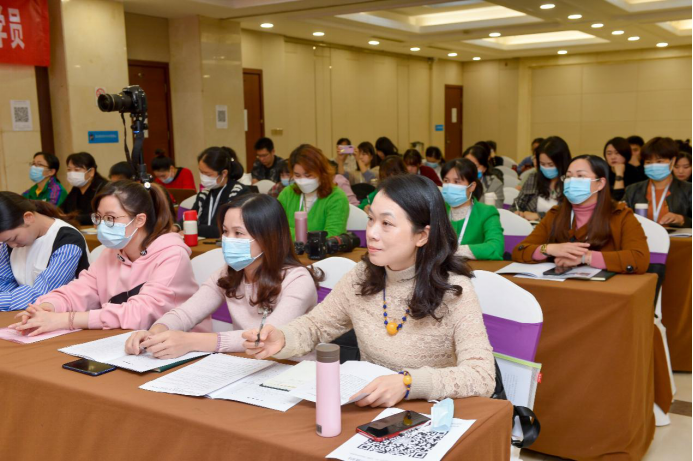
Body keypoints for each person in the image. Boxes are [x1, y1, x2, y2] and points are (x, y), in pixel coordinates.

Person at [242, 174, 496, 406]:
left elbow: (481, 375)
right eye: (371, 219)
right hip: (372, 410)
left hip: (434, 413)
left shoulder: (454, 291)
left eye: (387, 223)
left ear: (422, 236)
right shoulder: (362, 276)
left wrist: (408, 383)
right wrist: (283, 338)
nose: (372, 233)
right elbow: (316, 326)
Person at [124, 194, 321, 358]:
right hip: (246, 366)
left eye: (238, 233)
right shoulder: (229, 273)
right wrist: (155, 332)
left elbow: (265, 338)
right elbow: (186, 313)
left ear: (269, 237)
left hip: (292, 371)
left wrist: (190, 341)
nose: (228, 240)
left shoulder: (297, 280)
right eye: (226, 232)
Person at [9, 180, 212, 336]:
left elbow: (139, 314)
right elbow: (80, 290)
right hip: (123, 340)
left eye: (110, 218)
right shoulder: (112, 252)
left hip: (178, 347)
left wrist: (65, 320)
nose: (101, 225)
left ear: (139, 220)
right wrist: (47, 307)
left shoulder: (171, 254)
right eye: (99, 217)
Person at [513, 155, 649, 274]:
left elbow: (639, 259)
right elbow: (519, 251)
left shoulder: (620, 215)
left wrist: (585, 257)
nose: (572, 181)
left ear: (600, 183)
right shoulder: (556, 214)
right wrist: (548, 249)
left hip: (606, 288)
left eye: (580, 176)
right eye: (568, 176)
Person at [0, 193, 89, 312]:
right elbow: (4, 282)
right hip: (28, 312)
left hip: (67, 315)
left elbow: (41, 294)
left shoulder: (68, 241)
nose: (11, 245)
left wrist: (14, 299)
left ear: (28, 217)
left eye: (13, 238)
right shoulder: (11, 241)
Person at [277, 144, 350, 239]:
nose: (302, 180)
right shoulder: (288, 193)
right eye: (297, 175)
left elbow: (332, 236)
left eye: (308, 175)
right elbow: (275, 228)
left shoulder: (336, 197)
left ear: (321, 172)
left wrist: (292, 233)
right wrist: (309, 236)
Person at [174, 146, 248, 238]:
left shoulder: (238, 192)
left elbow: (224, 229)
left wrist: (193, 229)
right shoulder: (204, 194)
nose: (203, 177)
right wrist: (176, 227)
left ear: (224, 173)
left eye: (208, 174)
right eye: (201, 172)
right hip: (203, 242)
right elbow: (191, 217)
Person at [441, 159, 504, 260]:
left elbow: (496, 247)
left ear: (472, 186)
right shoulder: (438, 209)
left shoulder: (487, 212)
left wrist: (456, 251)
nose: (450, 186)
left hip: (474, 268)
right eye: (446, 181)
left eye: (456, 182)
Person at [625, 137, 692, 227]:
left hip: (676, 236)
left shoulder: (689, 190)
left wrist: (682, 220)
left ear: (672, 162)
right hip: (642, 235)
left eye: (659, 161)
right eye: (648, 162)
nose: (653, 166)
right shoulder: (632, 190)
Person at [510, 136, 571, 221]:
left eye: (551, 165)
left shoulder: (571, 183)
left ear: (562, 163)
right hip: (530, 227)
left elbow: (571, 215)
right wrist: (517, 212)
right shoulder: (534, 178)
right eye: (542, 164)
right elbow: (516, 205)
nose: (546, 168)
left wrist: (540, 215)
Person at [60, 152, 108, 225]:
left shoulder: (104, 188)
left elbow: (101, 216)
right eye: (69, 170)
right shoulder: (75, 189)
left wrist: (71, 217)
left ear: (91, 172)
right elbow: (62, 210)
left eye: (77, 170)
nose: (72, 173)